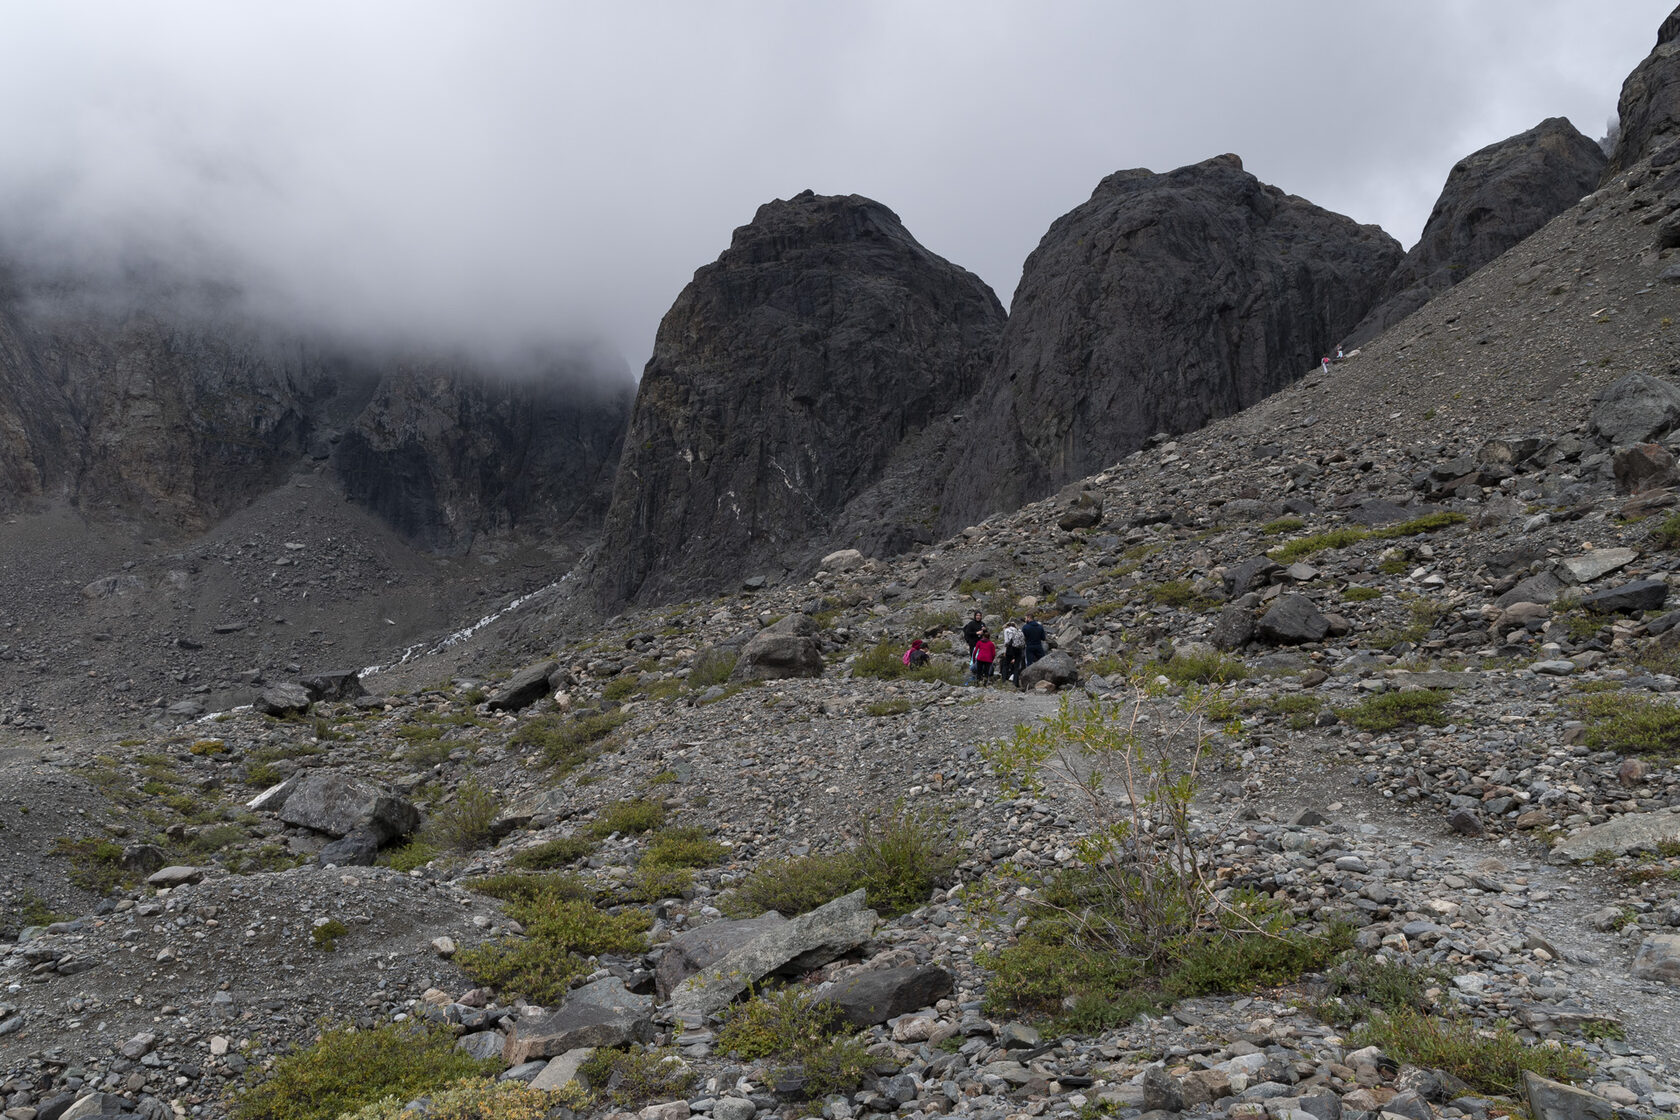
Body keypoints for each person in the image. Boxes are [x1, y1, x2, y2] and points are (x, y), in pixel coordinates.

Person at [1000, 619, 1025, 685]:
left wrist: (1006, 648)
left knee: (1005, 664)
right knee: (1016, 667)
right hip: (1019, 649)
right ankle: (1015, 683)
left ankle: (1004, 681)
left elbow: (1006, 642)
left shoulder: (1007, 630)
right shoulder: (1019, 630)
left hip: (1011, 649)